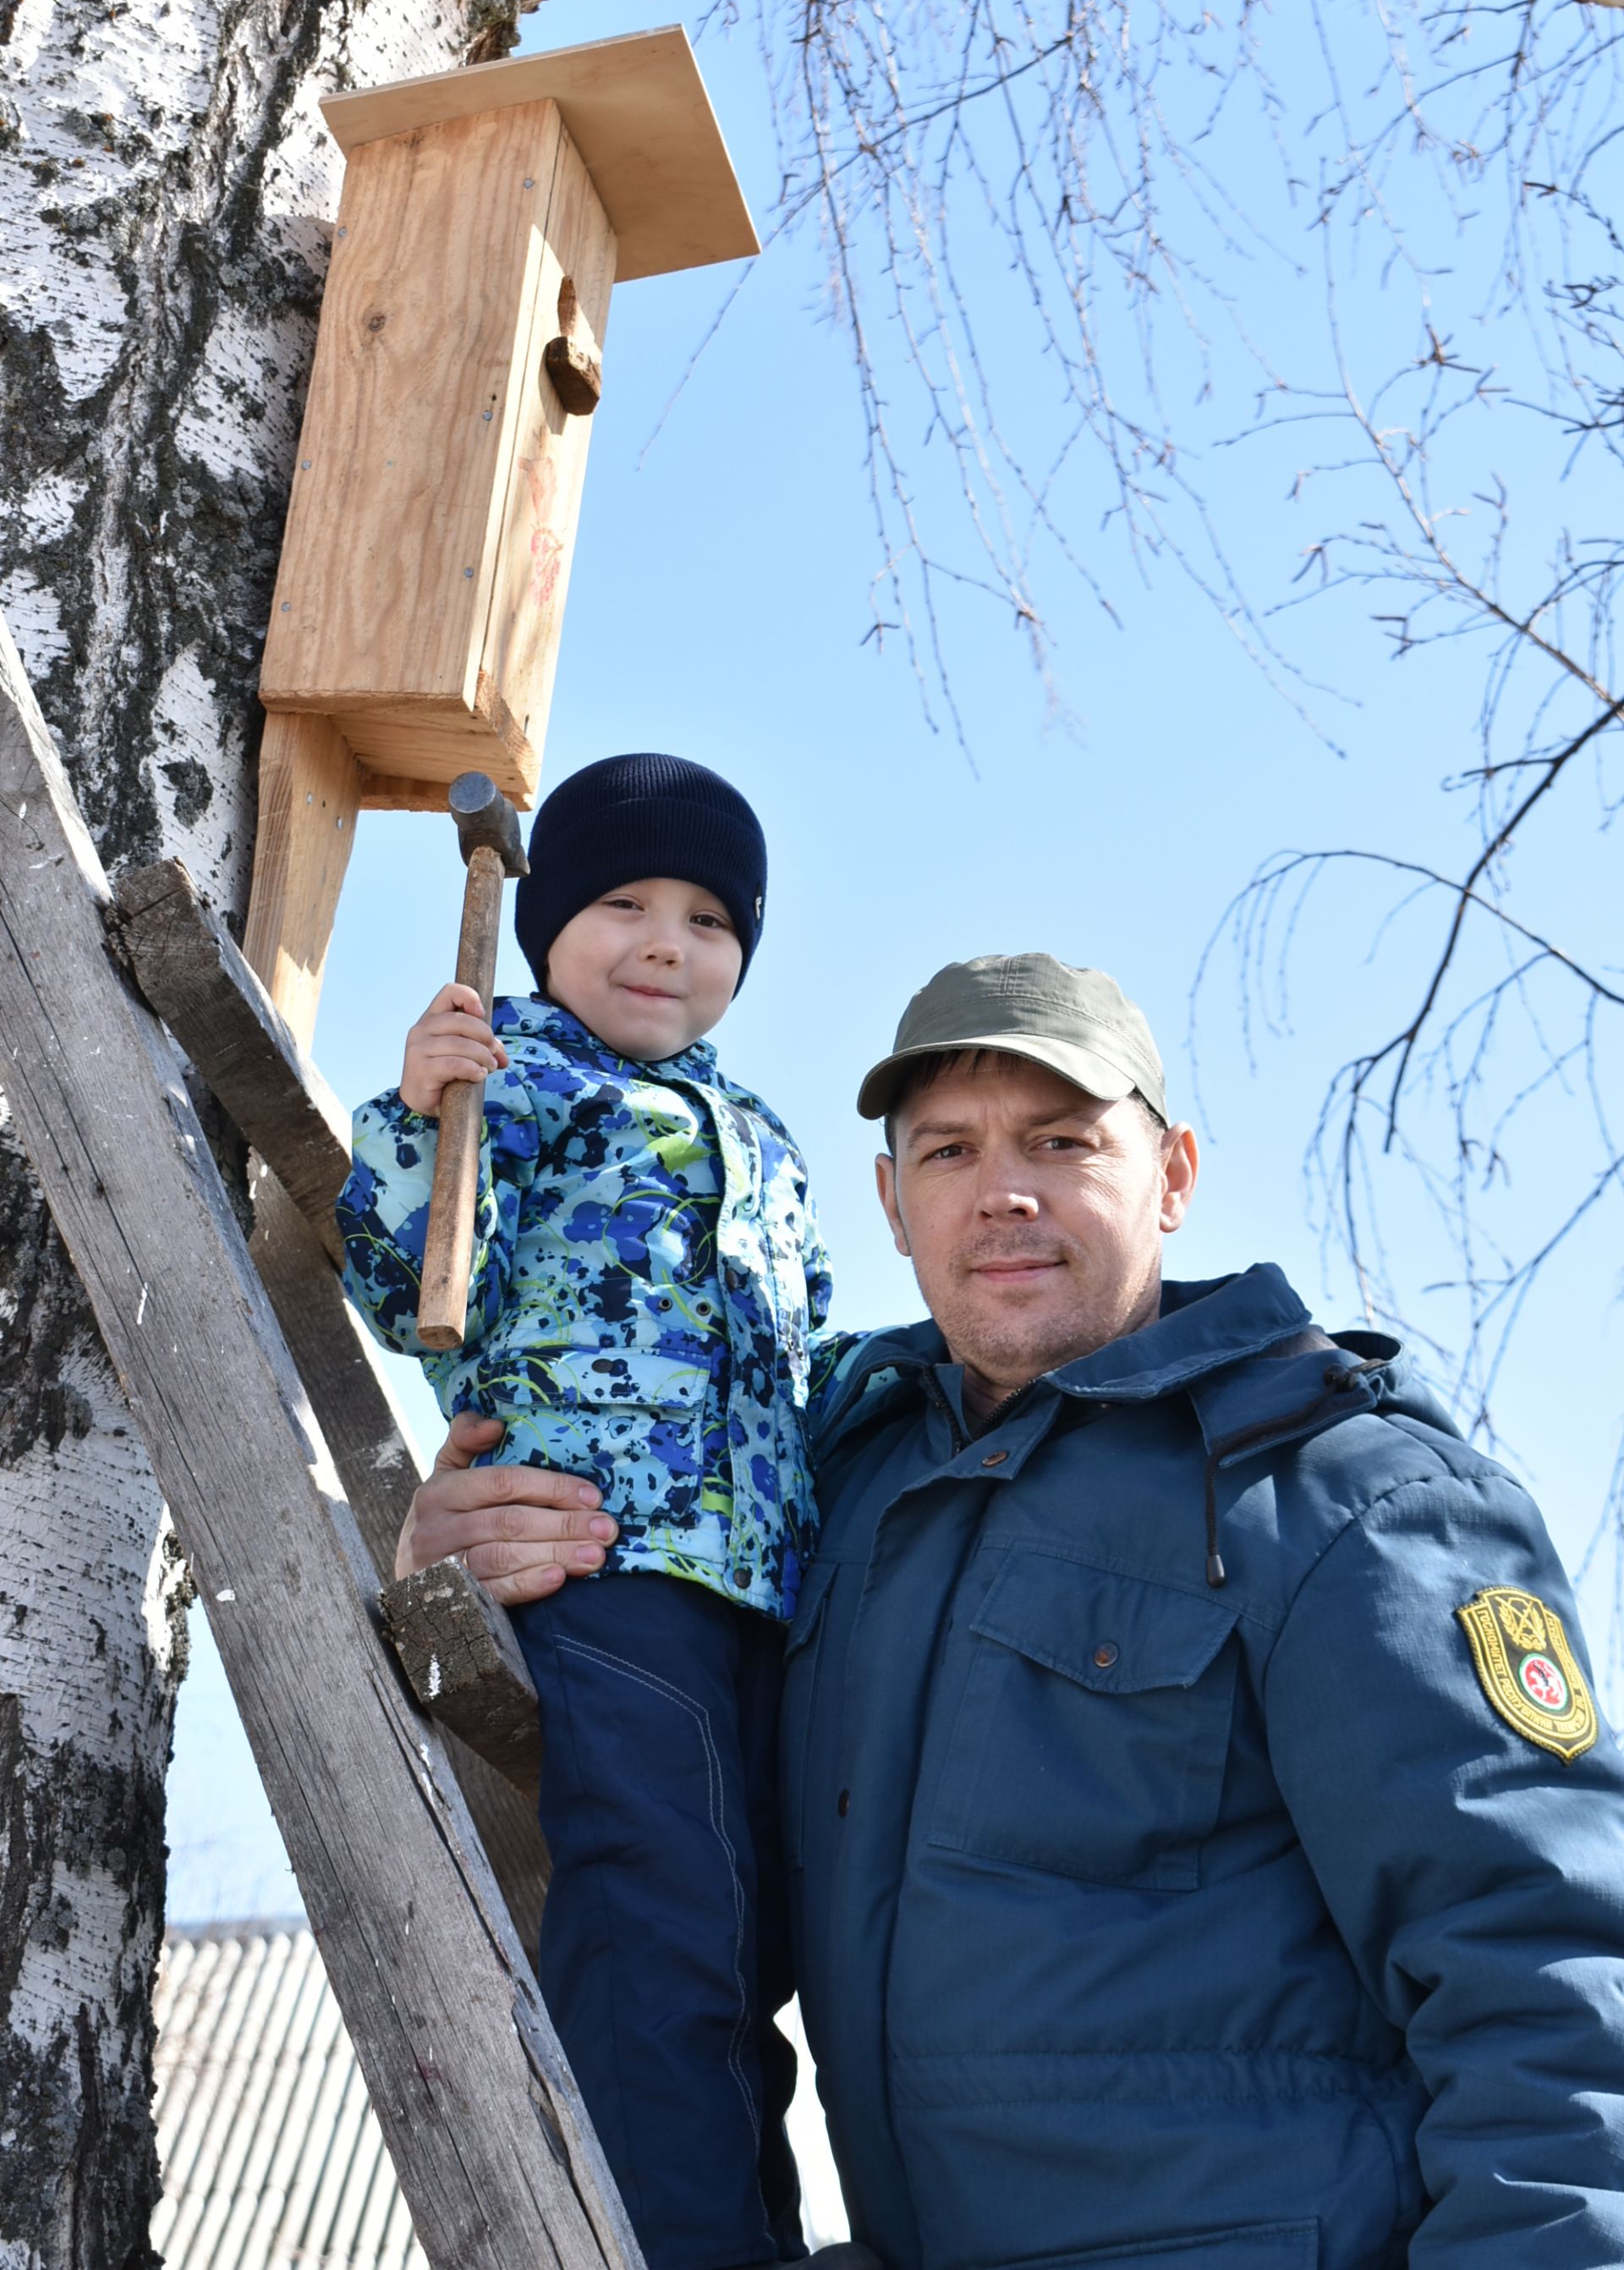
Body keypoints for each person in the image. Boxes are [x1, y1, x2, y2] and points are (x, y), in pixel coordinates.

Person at [398, 953, 1624, 2268]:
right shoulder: (823, 1490)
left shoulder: (1341, 1493)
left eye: (1062, 1139)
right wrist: (454, 1547)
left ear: (1174, 1178)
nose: (1005, 1193)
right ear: (888, 1198)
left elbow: (1552, 1989)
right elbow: (675, 1856)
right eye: (948, 1151)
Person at [338, 752, 832, 2270]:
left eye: (706, 916)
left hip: (762, 1594)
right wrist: (425, 1111)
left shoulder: (762, 1134)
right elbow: (411, 1268)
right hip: (603, 1562)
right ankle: (665, 2240)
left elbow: (808, 1340)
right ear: (547, 924)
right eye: (621, 902)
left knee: (753, 1948)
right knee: (655, 1913)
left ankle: (750, 2226)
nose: (666, 941)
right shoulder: (525, 1079)